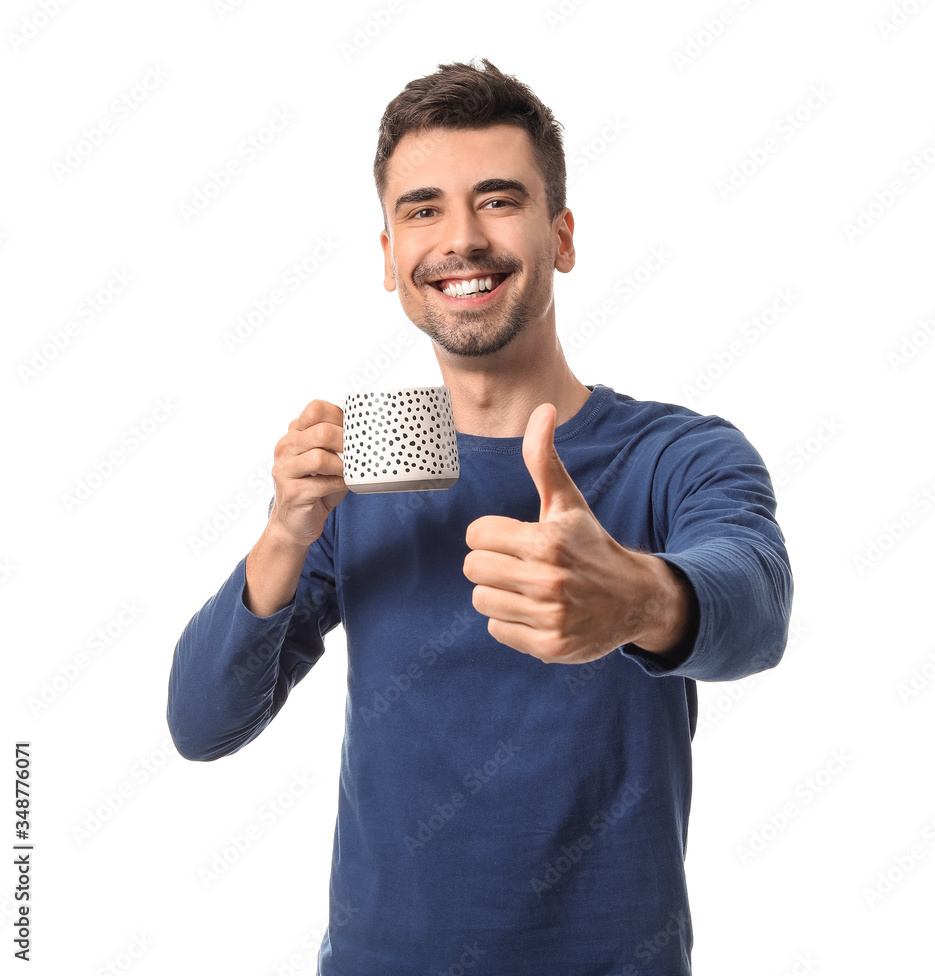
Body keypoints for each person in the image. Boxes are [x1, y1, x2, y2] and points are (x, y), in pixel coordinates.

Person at [167, 58, 793, 975]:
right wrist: (283, 536)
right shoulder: (365, 466)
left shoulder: (678, 454)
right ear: (389, 257)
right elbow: (200, 723)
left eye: (498, 200)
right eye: (423, 209)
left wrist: (639, 600)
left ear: (562, 236)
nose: (461, 238)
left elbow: (759, 603)